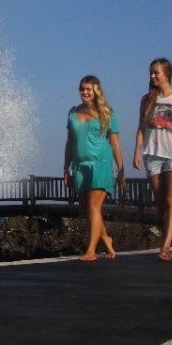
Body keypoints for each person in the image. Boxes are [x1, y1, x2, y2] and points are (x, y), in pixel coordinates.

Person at [132, 58, 172, 261]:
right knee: (161, 205)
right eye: (151, 73)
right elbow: (141, 128)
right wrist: (137, 150)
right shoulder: (147, 99)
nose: (152, 76)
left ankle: (166, 246)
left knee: (171, 200)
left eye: (156, 73)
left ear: (167, 74)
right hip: (153, 154)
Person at [63, 75, 124, 261]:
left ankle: (91, 250)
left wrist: (121, 169)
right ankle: (106, 238)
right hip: (80, 165)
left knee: (93, 205)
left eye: (88, 89)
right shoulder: (73, 112)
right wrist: (66, 169)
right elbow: (70, 142)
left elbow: (115, 144)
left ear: (96, 90)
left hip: (101, 163)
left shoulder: (107, 113)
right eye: (82, 88)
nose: (84, 92)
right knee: (86, 208)